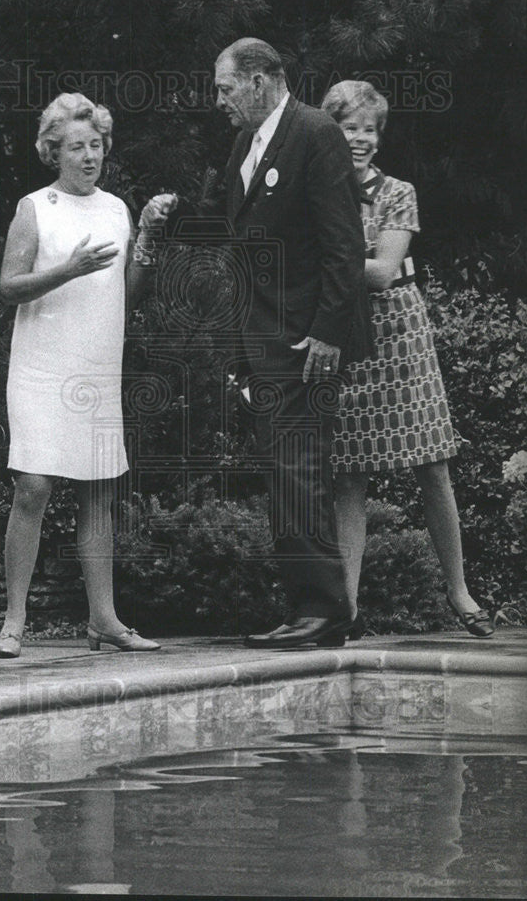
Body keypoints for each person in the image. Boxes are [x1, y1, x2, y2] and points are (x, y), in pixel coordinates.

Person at [0, 92, 175, 658]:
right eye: (77, 146)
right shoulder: (35, 207)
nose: (89, 155)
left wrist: (146, 239)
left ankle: (105, 620)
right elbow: (8, 287)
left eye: (96, 145)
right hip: (42, 367)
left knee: (98, 490)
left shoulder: (116, 208)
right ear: (53, 151)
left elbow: (126, 294)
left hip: (97, 366)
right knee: (34, 487)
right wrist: (67, 269)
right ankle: (14, 620)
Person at [322, 80, 493, 638]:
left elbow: (382, 271)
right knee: (348, 475)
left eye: (370, 129)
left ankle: (460, 592)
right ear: (331, 131)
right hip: (343, 332)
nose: (361, 139)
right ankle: (344, 609)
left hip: (398, 326)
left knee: (432, 464)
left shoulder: (398, 191)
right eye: (350, 127)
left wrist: (319, 259)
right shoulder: (318, 190)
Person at [214, 38, 369, 649]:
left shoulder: (315, 132)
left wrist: (330, 333)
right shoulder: (246, 143)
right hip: (264, 335)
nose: (219, 101)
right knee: (284, 469)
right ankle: (312, 604)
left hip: (306, 336)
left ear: (259, 81)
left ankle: (325, 607)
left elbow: (343, 243)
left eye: (226, 88)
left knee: (300, 466)